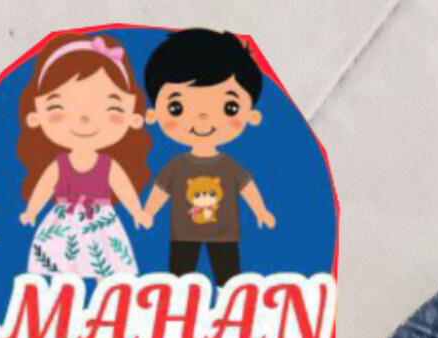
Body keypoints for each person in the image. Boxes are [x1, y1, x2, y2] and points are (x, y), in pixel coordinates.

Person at [137, 26, 278, 284]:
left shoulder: (230, 166)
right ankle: (180, 306)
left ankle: (232, 304)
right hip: (183, 235)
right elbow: (161, 190)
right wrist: (148, 211)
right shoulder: (176, 166)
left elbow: (247, 188)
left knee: (229, 279)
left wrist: (261, 211)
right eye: (177, 107)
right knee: (179, 280)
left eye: (229, 107)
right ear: (153, 115)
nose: (202, 117)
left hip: (225, 235)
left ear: (252, 116)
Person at [14, 32, 152, 283]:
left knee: (104, 268)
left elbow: (123, 187)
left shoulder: (108, 165)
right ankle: (65, 300)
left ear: (133, 116)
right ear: (36, 116)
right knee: (63, 269)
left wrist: (137, 211)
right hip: (64, 222)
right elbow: (45, 186)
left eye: (109, 107)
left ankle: (106, 301)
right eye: (60, 107)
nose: (85, 118)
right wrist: (31, 210)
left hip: (101, 222)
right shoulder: (60, 164)